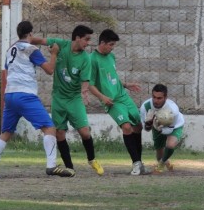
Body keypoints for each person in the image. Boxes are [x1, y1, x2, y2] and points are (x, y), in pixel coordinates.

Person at [0, 20, 75, 178]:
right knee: (49, 128)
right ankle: (51, 166)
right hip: (25, 94)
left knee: (5, 132)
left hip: (10, 94)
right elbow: (49, 70)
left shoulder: (10, 49)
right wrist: (54, 53)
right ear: (30, 34)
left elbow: (7, 70)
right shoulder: (32, 49)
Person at [30, 25, 104, 176]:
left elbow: (85, 80)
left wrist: (84, 92)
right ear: (77, 38)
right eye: (86, 39)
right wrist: (25, 40)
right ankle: (70, 167)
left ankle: (92, 159)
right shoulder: (61, 45)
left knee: (84, 132)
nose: (88, 43)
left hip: (74, 98)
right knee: (60, 133)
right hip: (58, 98)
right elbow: (42, 40)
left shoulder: (85, 58)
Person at [88, 29, 148, 175]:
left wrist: (126, 85)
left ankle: (139, 163)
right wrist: (102, 97)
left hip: (123, 96)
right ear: (102, 43)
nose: (112, 47)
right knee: (127, 127)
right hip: (111, 101)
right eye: (110, 44)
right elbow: (90, 85)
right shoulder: (92, 59)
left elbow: (112, 77)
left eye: (113, 45)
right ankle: (135, 163)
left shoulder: (111, 57)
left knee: (138, 125)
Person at [140, 84, 185, 174]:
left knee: (170, 145)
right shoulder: (145, 107)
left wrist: (160, 129)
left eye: (159, 98)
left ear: (165, 97)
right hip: (157, 127)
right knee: (159, 156)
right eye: (154, 97)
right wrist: (148, 125)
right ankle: (165, 161)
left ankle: (161, 165)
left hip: (175, 126)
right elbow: (146, 128)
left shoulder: (173, 110)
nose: (156, 100)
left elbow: (169, 130)